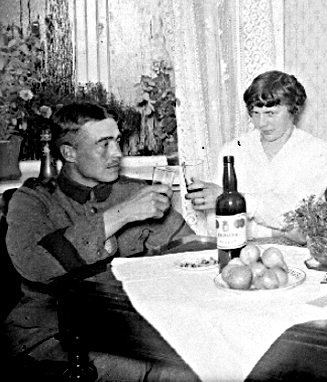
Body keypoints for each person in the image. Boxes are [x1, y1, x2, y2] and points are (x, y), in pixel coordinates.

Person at [3, 102, 196, 381]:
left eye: (117, 141)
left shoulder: (135, 190)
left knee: (189, 363)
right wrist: (122, 214)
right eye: (103, 144)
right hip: (50, 333)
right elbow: (33, 263)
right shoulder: (33, 200)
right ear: (69, 153)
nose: (117, 153)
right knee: (140, 368)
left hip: (126, 327)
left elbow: (189, 252)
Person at [187, 70, 327, 241]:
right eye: (255, 113)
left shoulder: (317, 151)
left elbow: (297, 219)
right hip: (240, 250)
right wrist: (279, 232)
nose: (262, 123)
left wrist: (236, 202)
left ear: (293, 109)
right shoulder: (233, 150)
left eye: (271, 113)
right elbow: (216, 227)